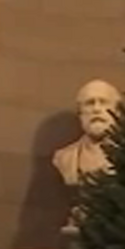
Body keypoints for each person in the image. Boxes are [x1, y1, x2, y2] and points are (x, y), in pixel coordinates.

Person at [52, 79, 121, 233]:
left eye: (104, 103)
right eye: (90, 103)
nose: (97, 109)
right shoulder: (64, 157)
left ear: (117, 112)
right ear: (80, 113)